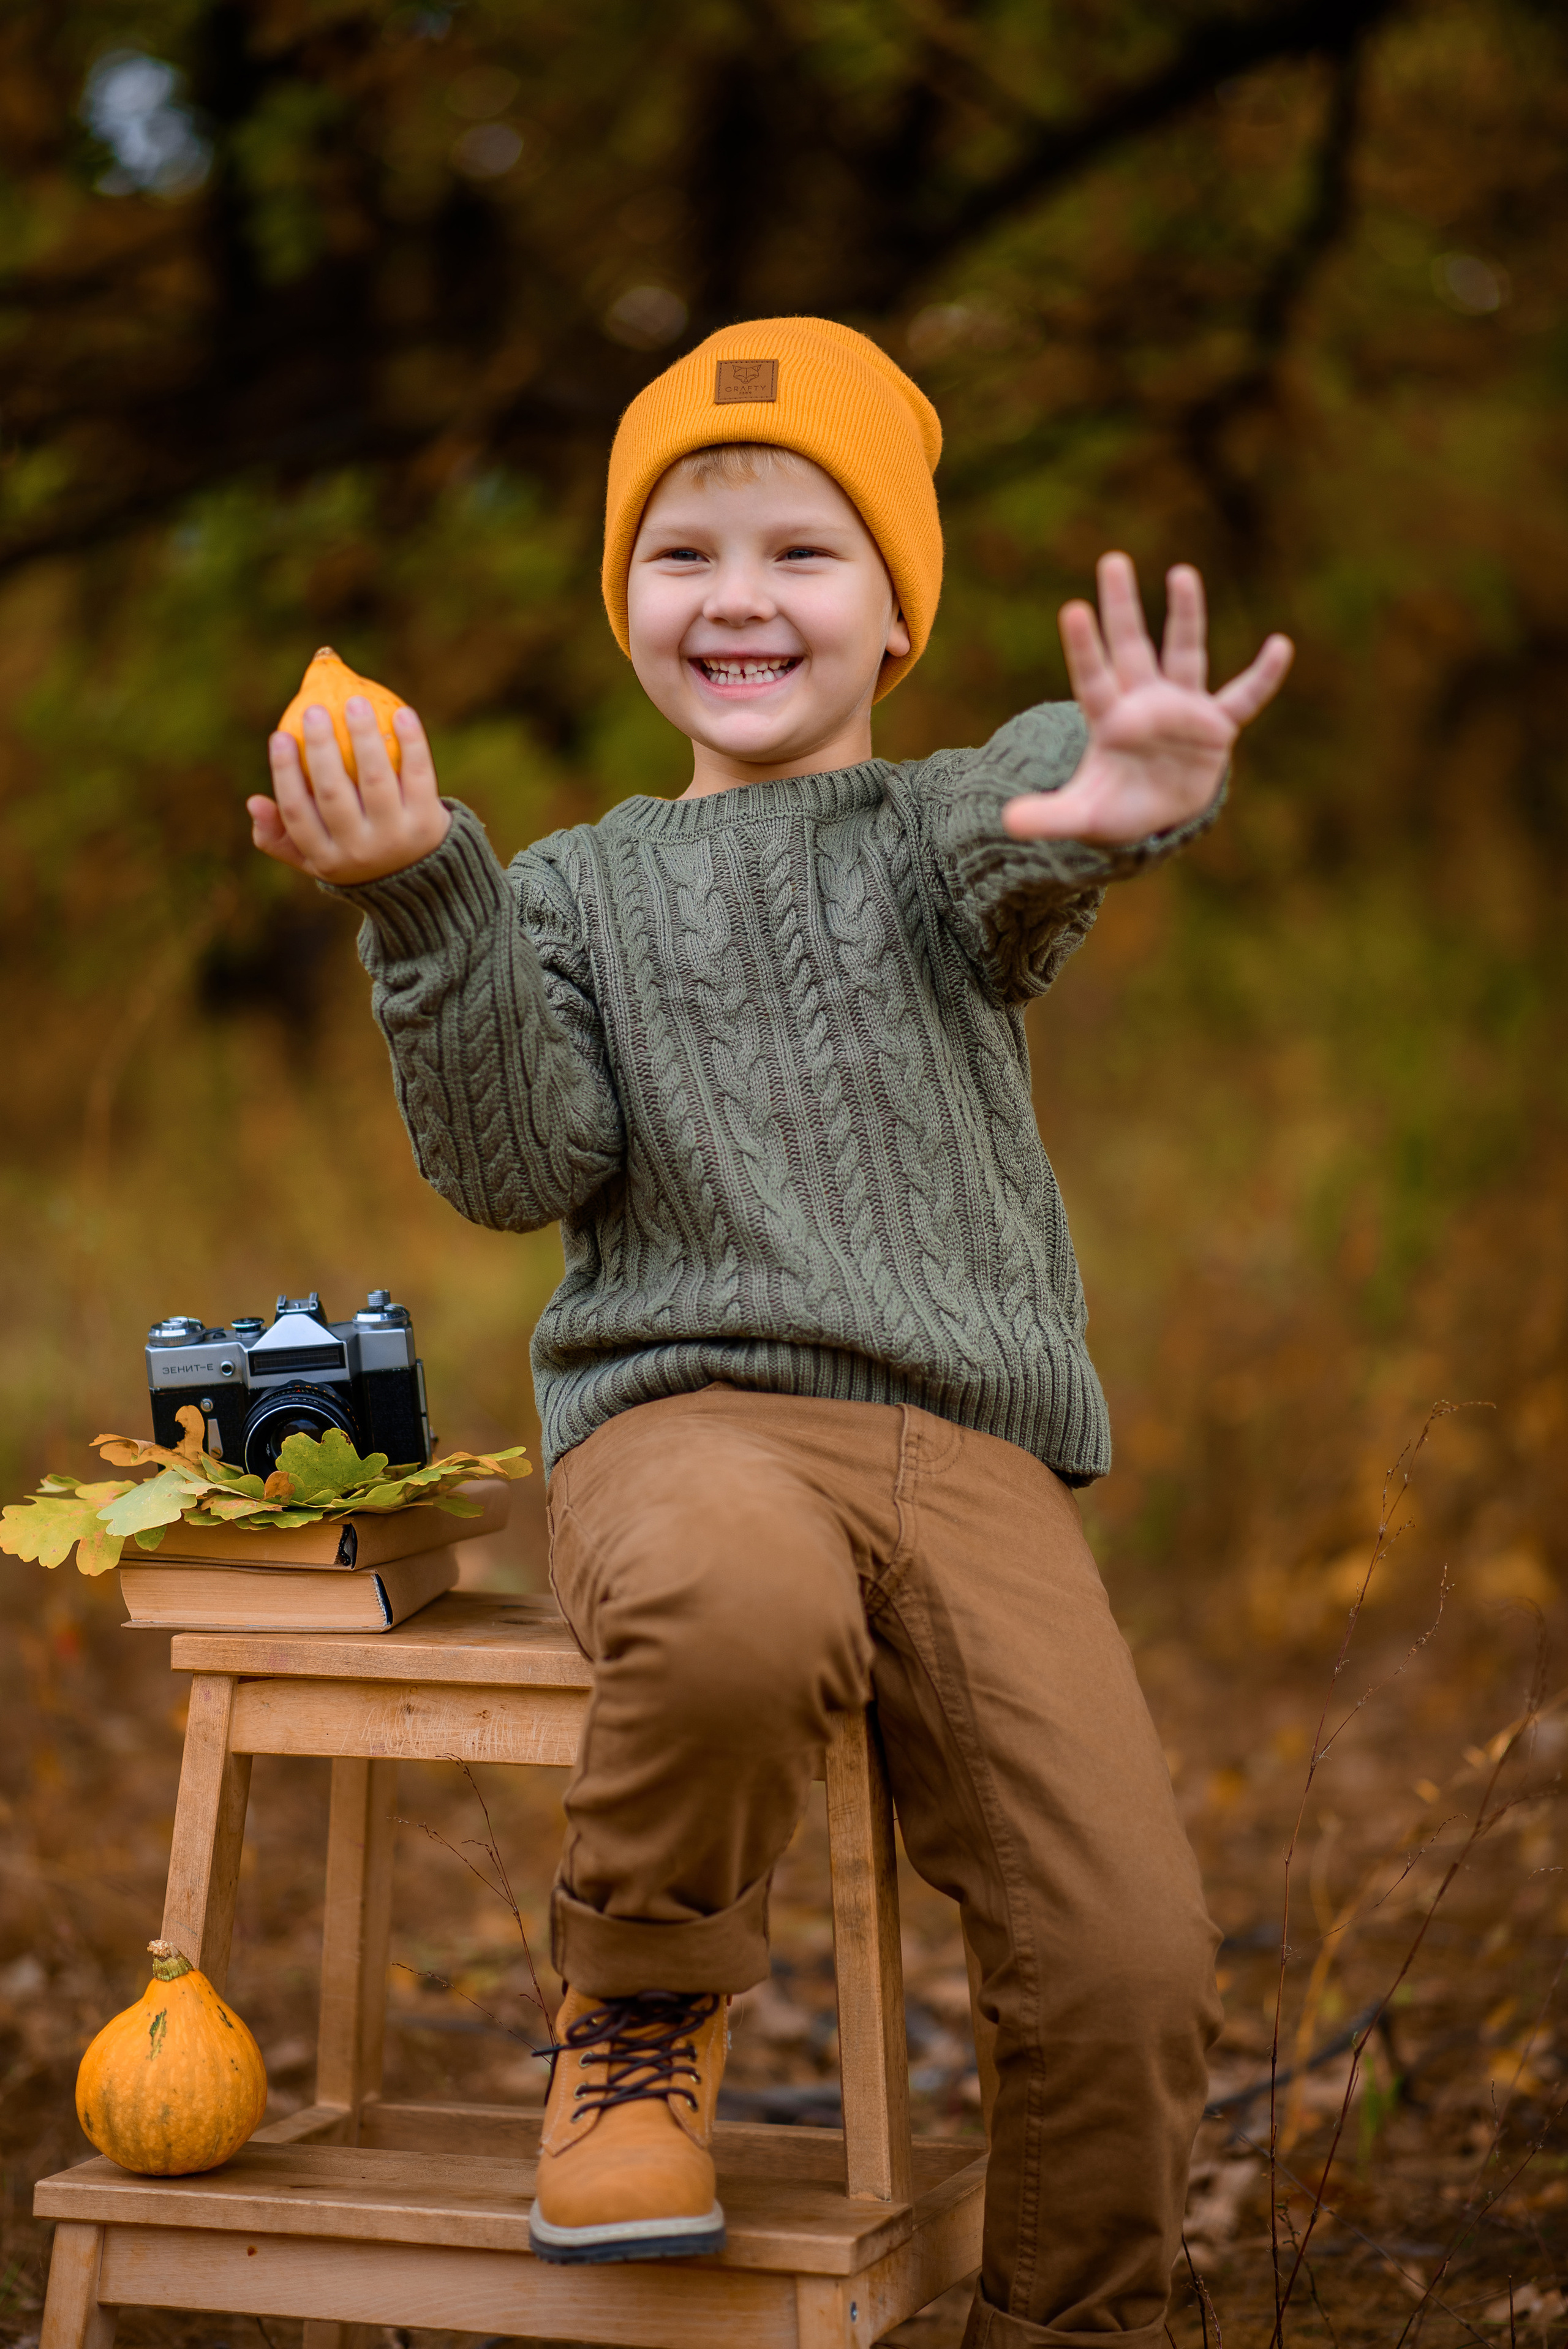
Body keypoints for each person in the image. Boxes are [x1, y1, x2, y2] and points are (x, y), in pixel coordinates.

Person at [250, 316, 1291, 2347]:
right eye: (684, 552)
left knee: (1133, 1955)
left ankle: (1080, 2317)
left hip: (968, 1456)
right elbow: (517, 1163)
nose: (737, 597)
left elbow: (1021, 842)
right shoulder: (564, 889)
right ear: (625, 598)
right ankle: (634, 2027)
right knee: (732, 1593)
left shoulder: (928, 831)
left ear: (896, 608)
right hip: (684, 1424)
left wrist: (1112, 792)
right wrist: (429, 914)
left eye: (802, 553)